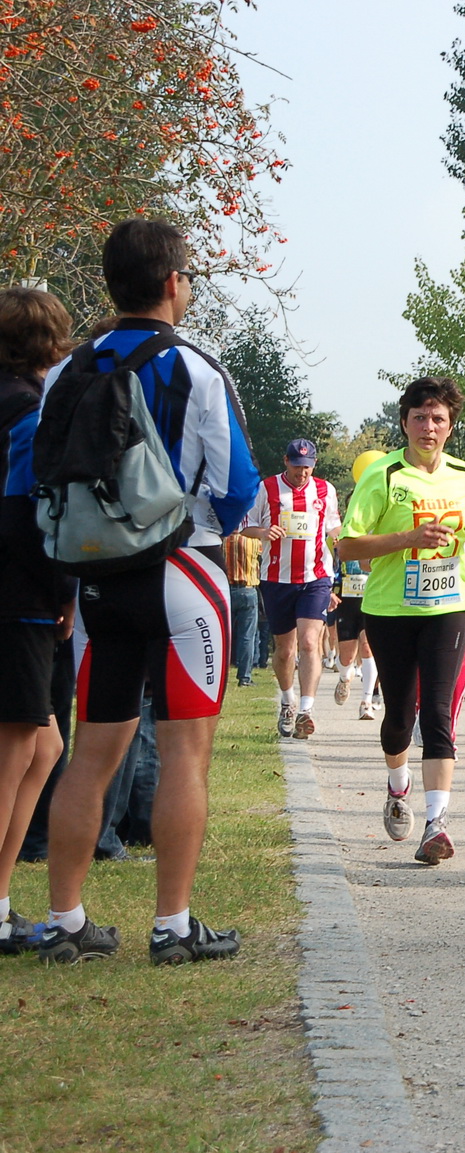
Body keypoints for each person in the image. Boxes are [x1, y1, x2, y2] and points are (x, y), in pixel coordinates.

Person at [38, 217, 263, 964]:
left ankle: (65, 919)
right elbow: (236, 494)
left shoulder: (68, 372)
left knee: (93, 751)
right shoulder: (196, 369)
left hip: (99, 579)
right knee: (185, 751)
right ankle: (171, 925)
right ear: (173, 284)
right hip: (184, 571)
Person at [335, 378, 465, 867]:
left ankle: (436, 824)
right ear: (404, 422)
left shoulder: (464, 476)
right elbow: (347, 545)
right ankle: (398, 784)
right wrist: (407, 538)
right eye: (419, 417)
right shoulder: (382, 475)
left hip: (449, 606)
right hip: (390, 609)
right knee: (400, 716)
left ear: (450, 426)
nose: (429, 426)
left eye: (438, 418)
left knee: (439, 713)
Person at [0, 287, 76, 953]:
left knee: (45, 746)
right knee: (15, 749)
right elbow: (27, 511)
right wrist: (60, 589)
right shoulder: (27, 411)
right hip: (17, 595)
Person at [242, 439, 341, 739]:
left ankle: (306, 711)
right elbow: (246, 524)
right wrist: (263, 531)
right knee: (285, 650)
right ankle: (287, 700)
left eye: (307, 467)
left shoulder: (325, 490)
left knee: (310, 642)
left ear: (314, 465)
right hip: (277, 578)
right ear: (286, 462)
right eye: (297, 467)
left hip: (315, 577)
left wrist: (342, 539)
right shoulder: (267, 488)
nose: (302, 474)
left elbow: (334, 525)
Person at [330, 557, 378, 720]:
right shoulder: (343, 534)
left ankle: (366, 701)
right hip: (347, 597)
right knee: (347, 657)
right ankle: (344, 678)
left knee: (367, 646)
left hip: (372, 595)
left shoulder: (379, 535)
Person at [223, 530, 261, 688]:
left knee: (224, 637)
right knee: (247, 636)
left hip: (225, 589)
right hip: (247, 589)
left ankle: (221, 676)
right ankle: (244, 677)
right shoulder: (253, 540)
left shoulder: (223, 539)